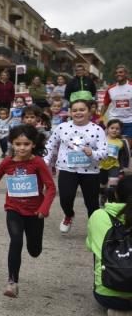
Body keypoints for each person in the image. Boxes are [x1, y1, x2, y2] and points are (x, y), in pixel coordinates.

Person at [0, 124, 56, 298]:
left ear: (33, 144)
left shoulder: (37, 162)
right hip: (14, 209)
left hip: (35, 213)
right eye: (18, 144)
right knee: (16, 241)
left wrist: (44, 208)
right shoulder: (7, 162)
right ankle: (12, 282)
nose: (22, 148)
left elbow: (51, 188)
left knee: (34, 250)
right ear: (12, 144)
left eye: (26, 144)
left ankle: (32, 251)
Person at [44, 99, 109, 234]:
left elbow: (104, 153)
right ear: (70, 112)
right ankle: (69, 215)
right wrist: (45, 161)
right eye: (74, 110)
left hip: (90, 172)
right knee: (65, 199)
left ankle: (95, 227)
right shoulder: (62, 127)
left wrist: (93, 153)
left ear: (89, 111)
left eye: (82, 110)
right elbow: (50, 145)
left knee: (92, 203)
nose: (78, 113)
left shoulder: (97, 129)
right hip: (68, 169)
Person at [86, 176, 132, 313]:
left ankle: (106, 283)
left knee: (98, 250)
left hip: (108, 297)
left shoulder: (99, 215)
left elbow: (90, 245)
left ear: (116, 194)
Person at [100, 120, 130, 204]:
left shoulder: (122, 142)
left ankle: (109, 200)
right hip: (101, 166)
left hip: (114, 166)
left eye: (117, 129)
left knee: (112, 184)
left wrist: (124, 168)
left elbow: (126, 155)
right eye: (112, 128)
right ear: (107, 129)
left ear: (120, 130)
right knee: (102, 184)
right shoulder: (102, 139)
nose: (114, 130)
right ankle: (103, 195)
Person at [103, 64, 132, 149]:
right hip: (114, 120)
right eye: (116, 73)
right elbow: (105, 104)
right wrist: (101, 117)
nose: (118, 74)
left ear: (126, 74)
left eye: (121, 72)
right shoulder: (111, 89)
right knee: (113, 146)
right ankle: (113, 162)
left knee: (127, 147)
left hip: (129, 120)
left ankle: (124, 162)